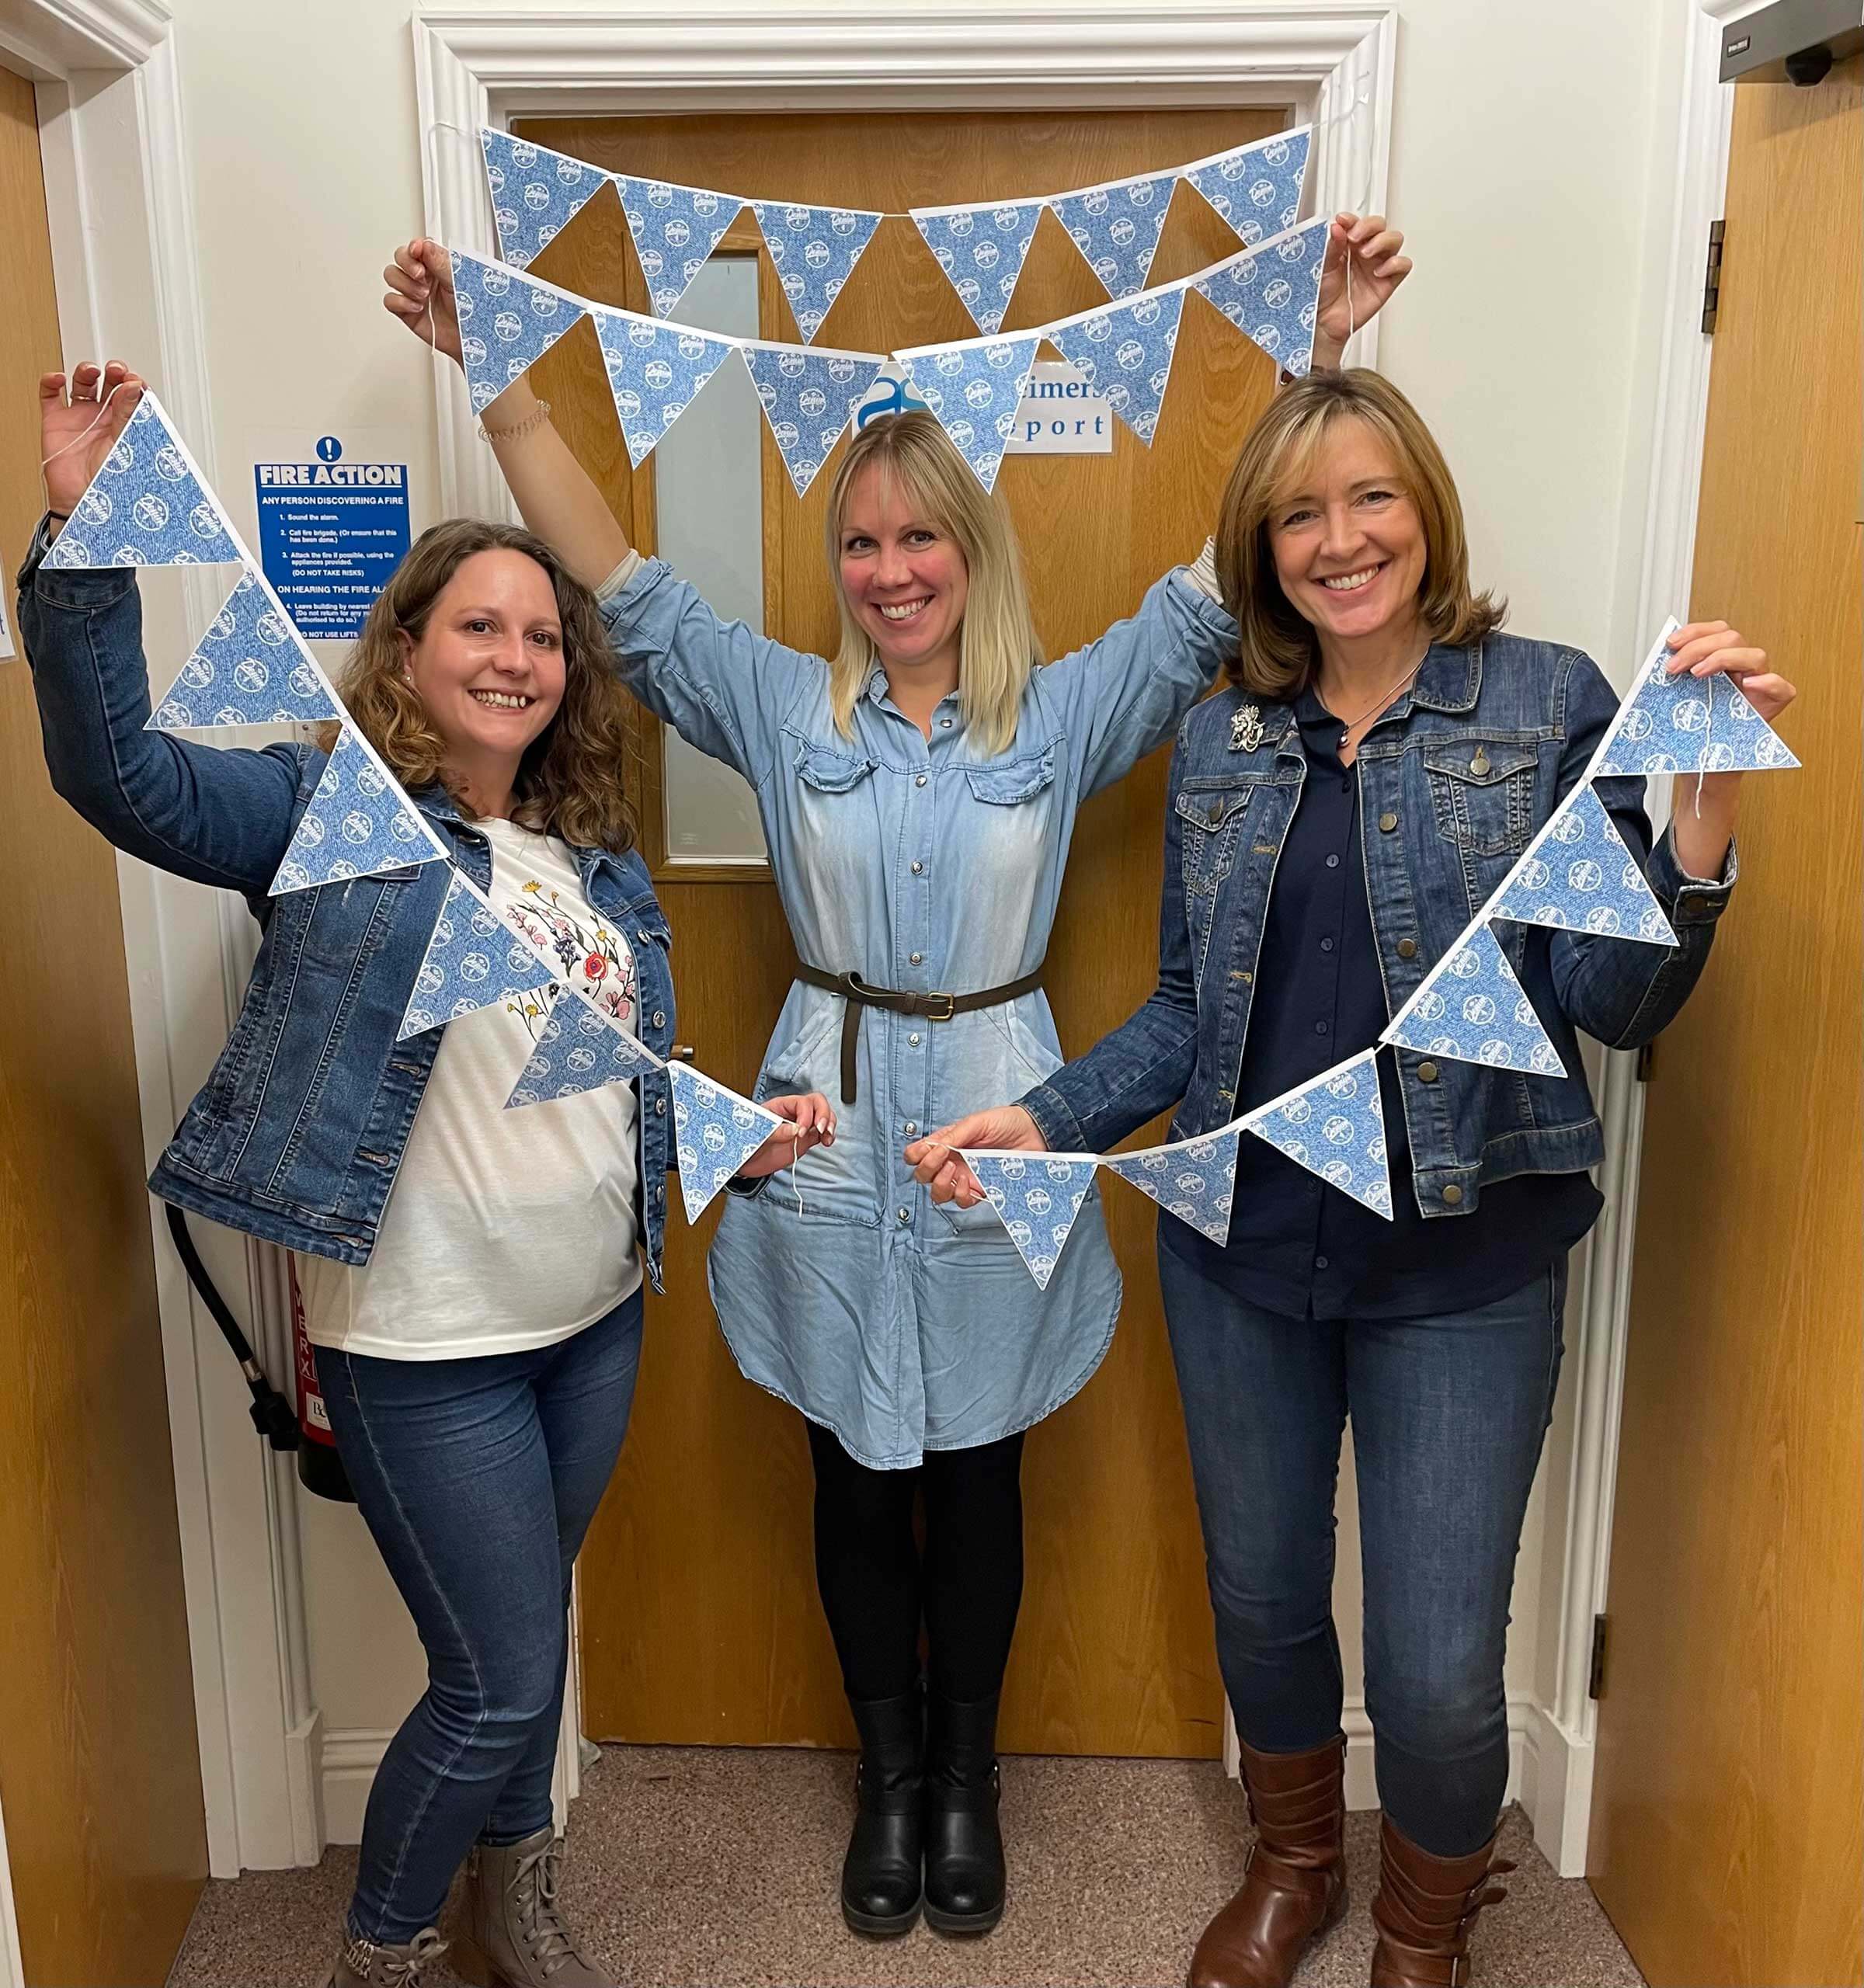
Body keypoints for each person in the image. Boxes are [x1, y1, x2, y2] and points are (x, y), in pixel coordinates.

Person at [381, 213, 1411, 1938]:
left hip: (1006, 1118)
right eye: (860, 540)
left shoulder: (1062, 713)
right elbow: (616, 581)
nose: (889, 569)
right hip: (827, 1117)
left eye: (920, 534)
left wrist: (1314, 363)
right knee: (853, 1469)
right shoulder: (785, 707)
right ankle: (887, 1777)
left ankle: (965, 1779)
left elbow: (1214, 585)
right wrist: (501, 389)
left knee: (980, 1467)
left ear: (969, 550)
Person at [909, 367, 1793, 1987]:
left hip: (1465, 1264)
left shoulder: (1545, 702)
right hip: (1239, 1250)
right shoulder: (1222, 737)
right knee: (1261, 1602)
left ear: (1424, 510)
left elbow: (1613, 1002)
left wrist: (1704, 814)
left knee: (1440, 1668)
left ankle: (1424, 1924)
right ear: (1264, 547)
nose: (1340, 539)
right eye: (1300, 513)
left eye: (1371, 496)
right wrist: (1048, 1117)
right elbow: (1187, 1007)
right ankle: (1298, 1859)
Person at [17, 362, 829, 1988]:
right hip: (422, 1336)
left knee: (525, 1649)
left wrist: (729, 1125)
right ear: (406, 650)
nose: (517, 656)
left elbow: (606, 1073)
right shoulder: (320, 806)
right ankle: (383, 1953)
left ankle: (505, 1911)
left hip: (593, 1315)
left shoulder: (590, 856)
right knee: (496, 1677)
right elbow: (122, 778)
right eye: (479, 626)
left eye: (542, 634)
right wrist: (86, 535)